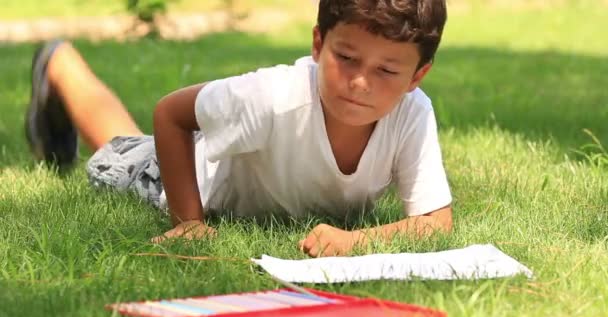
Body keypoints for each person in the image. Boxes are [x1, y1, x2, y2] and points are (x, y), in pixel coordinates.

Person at [25, 0, 453, 258]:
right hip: (187, 173)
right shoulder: (271, 96)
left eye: (386, 70)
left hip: (225, 160)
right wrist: (188, 222)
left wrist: (356, 241)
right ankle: (60, 65)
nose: (361, 83)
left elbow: (436, 222)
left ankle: (62, 67)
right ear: (319, 45)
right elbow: (171, 114)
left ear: (417, 75)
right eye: (346, 58)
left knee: (131, 138)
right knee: (120, 149)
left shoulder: (411, 113)